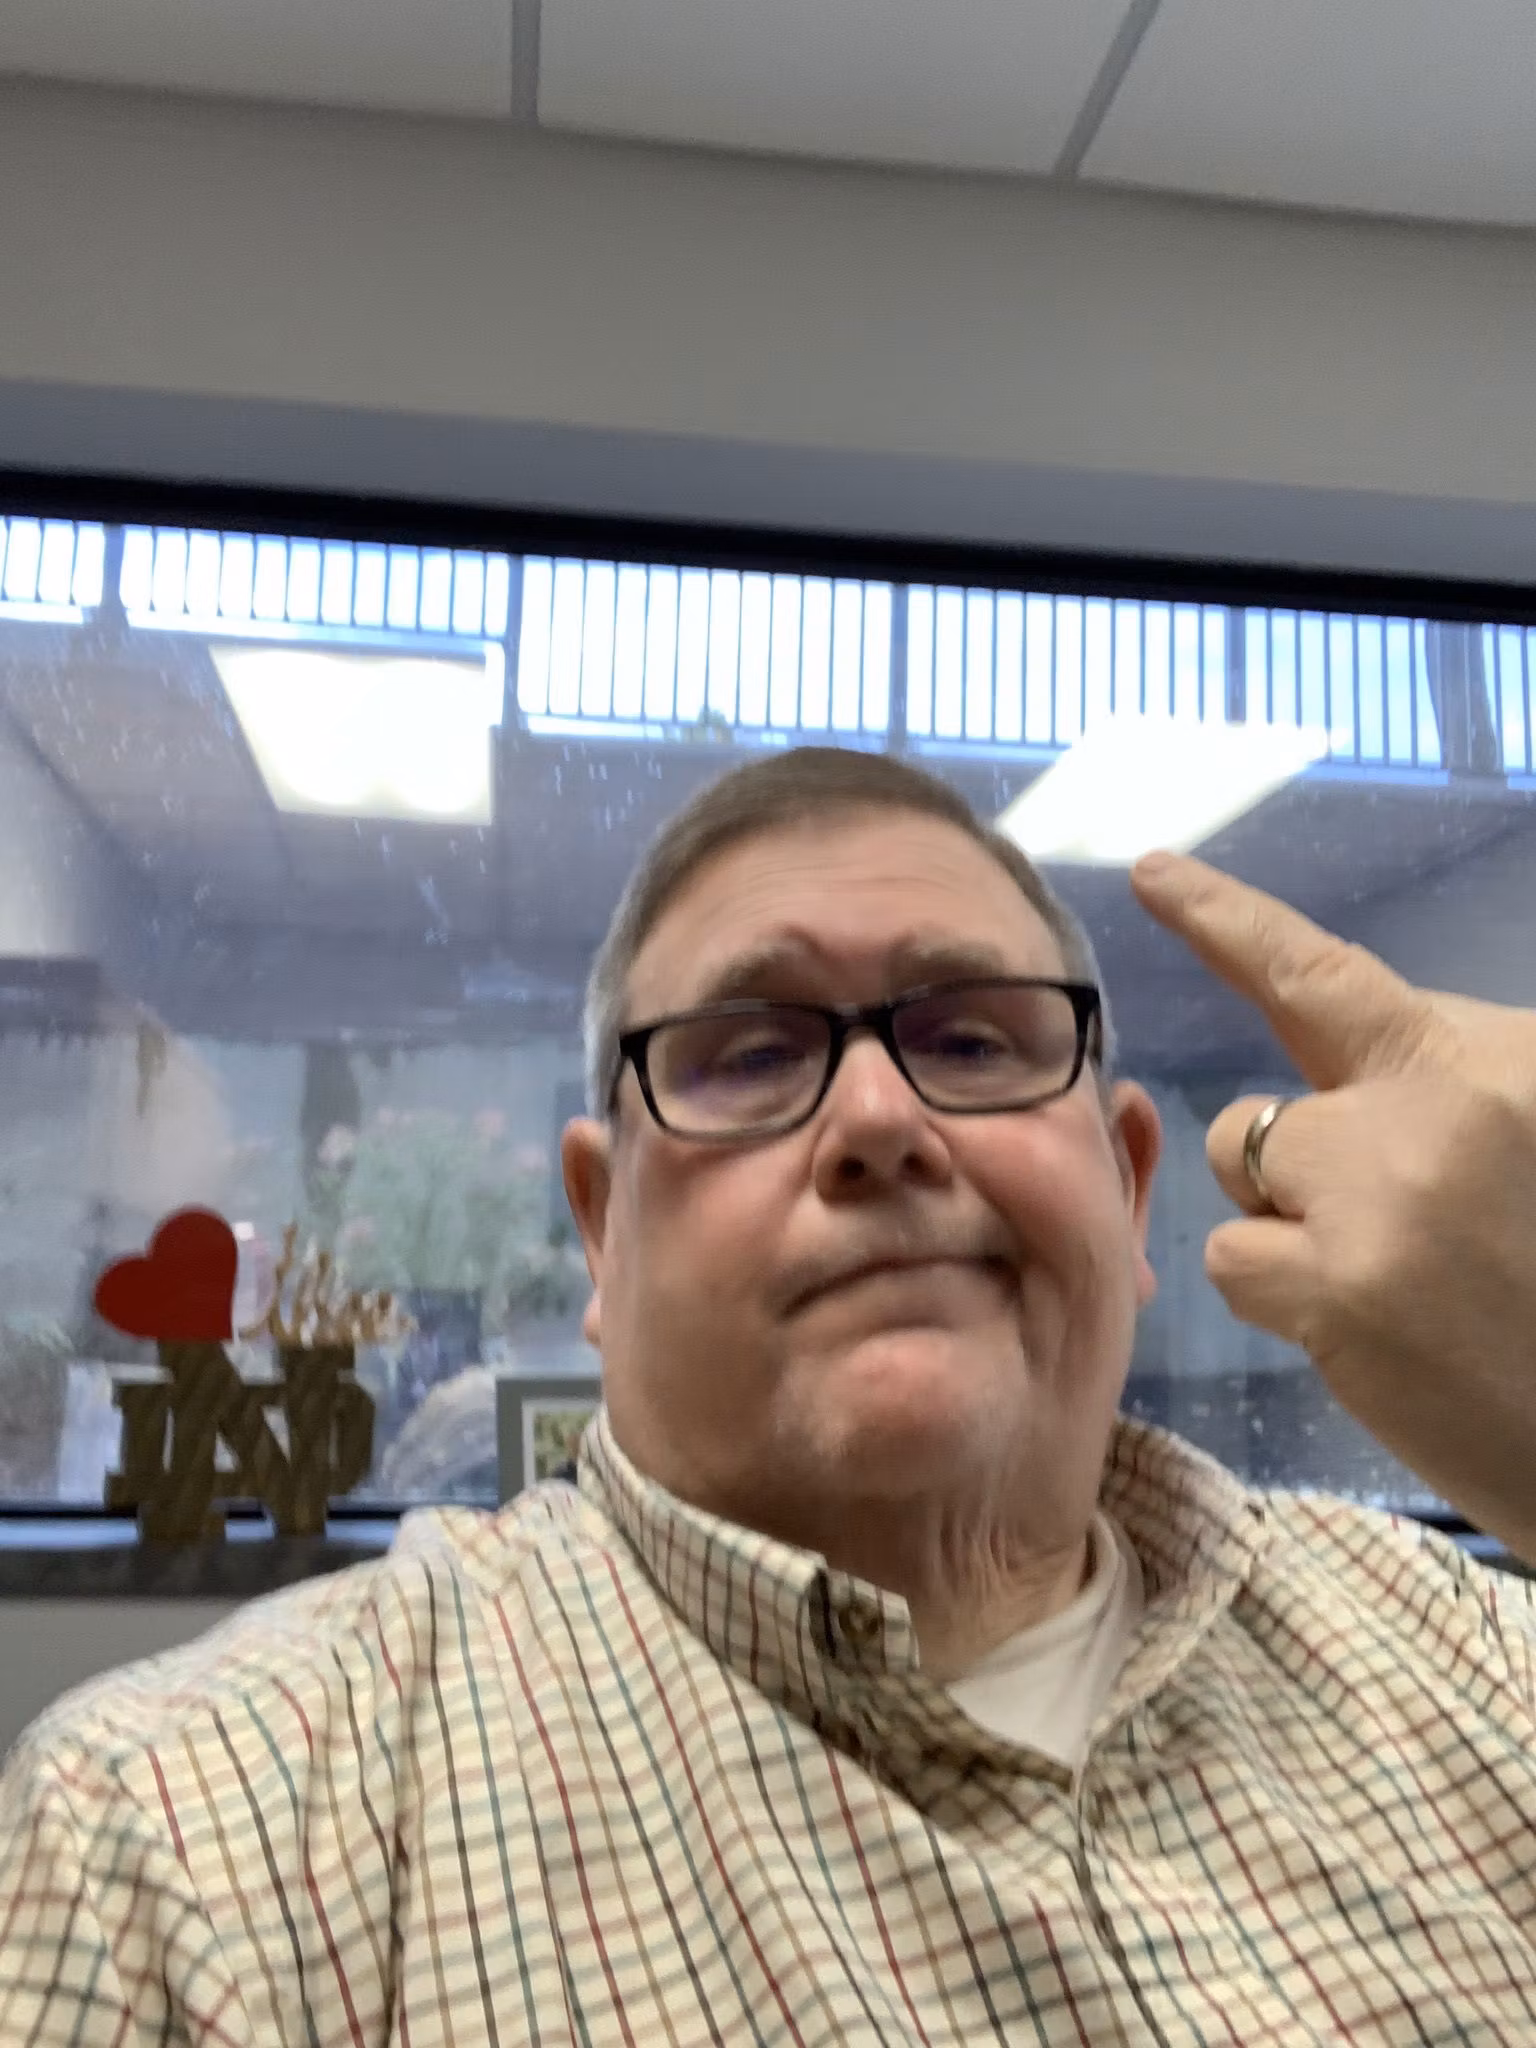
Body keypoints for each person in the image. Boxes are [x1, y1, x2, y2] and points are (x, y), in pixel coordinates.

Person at [2, 745, 1534, 2047]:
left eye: (971, 1039)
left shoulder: (1469, 1649)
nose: (878, 1117)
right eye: (746, 1056)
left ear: (1131, 1188)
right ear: (602, 1227)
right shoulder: (184, 1851)